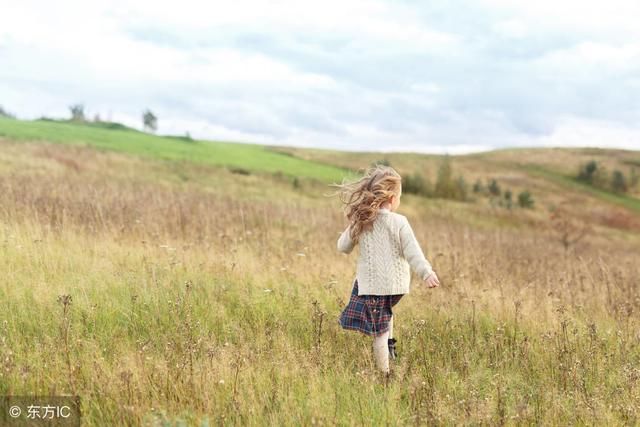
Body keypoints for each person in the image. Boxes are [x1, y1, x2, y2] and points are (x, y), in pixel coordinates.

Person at [331, 164, 440, 376]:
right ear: (391, 199)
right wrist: (426, 272)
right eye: (399, 197)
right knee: (385, 314)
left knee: (378, 331)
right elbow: (413, 252)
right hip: (397, 287)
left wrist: (354, 223)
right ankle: (390, 347)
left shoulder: (363, 221)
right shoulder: (400, 221)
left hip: (374, 286)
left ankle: (384, 374)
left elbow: (342, 247)